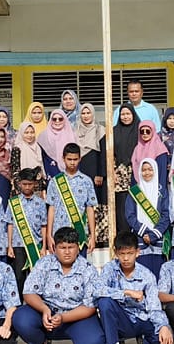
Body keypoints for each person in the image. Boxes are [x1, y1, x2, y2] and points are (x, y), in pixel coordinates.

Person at [11, 227, 105, 344]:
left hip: (77, 317)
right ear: (55, 248)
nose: (67, 252)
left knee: (94, 342)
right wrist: (44, 309)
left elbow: (90, 306)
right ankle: (40, 343)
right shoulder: (45, 263)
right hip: (47, 314)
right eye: (62, 248)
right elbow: (29, 292)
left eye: (71, 247)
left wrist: (62, 317)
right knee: (21, 319)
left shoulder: (88, 269)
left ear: (78, 248)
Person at [97, 231, 174, 344]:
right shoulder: (110, 268)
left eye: (130, 253)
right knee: (104, 302)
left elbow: (154, 305)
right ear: (116, 253)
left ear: (137, 252)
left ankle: (145, 341)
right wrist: (126, 293)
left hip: (142, 318)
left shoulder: (147, 275)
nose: (126, 258)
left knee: (164, 341)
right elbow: (97, 290)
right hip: (121, 320)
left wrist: (163, 326)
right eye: (122, 254)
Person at [45, 143, 98, 255]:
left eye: (75, 159)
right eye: (69, 159)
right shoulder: (55, 181)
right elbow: (51, 208)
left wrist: (93, 236)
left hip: (80, 235)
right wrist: (49, 235)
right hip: (59, 234)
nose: (72, 163)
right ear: (63, 158)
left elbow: (90, 209)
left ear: (80, 159)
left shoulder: (86, 181)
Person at [6, 167, 48, 297]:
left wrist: (44, 246)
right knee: (19, 276)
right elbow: (10, 224)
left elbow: (44, 225)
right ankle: (18, 303)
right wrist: (10, 246)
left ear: (35, 184)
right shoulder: (13, 203)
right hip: (18, 245)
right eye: (24, 184)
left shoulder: (40, 203)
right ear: (19, 184)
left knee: (35, 275)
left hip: (35, 245)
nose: (27, 187)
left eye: (30, 184)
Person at [126, 158, 170, 277]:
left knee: (159, 276)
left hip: (158, 238)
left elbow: (166, 215)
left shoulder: (162, 192)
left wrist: (154, 234)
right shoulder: (134, 192)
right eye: (144, 170)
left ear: (155, 171)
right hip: (140, 238)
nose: (147, 173)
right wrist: (145, 233)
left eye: (150, 169)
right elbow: (130, 215)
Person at [75, 103, 107, 248]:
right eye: (83, 113)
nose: (86, 116)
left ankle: (99, 240)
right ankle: (83, 237)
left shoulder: (100, 130)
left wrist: (101, 174)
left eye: (88, 113)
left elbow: (104, 154)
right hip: (81, 171)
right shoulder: (76, 131)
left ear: (93, 114)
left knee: (96, 205)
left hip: (96, 174)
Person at [113, 103, 140, 233]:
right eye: (122, 114)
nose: (125, 117)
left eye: (128, 114)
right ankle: (124, 237)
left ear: (133, 114)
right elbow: (109, 153)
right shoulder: (114, 132)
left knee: (137, 205)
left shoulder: (141, 131)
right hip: (119, 174)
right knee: (122, 207)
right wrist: (112, 172)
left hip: (137, 172)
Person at [38, 109, 78, 180]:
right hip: (50, 170)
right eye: (54, 119)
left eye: (60, 119)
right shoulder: (43, 135)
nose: (57, 121)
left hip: (70, 170)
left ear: (64, 119)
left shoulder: (71, 134)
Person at [11, 121, 47, 196]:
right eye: (26, 133)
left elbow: (40, 168)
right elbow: (16, 171)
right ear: (21, 133)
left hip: (37, 186)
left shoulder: (37, 147)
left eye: (32, 132)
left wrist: (42, 187)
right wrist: (20, 188)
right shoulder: (17, 148)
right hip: (23, 187)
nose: (30, 135)